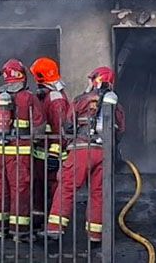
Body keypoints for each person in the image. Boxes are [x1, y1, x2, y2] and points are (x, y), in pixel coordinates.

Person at [45, 66, 125, 243]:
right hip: (105, 152)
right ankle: (96, 236)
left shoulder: (82, 100)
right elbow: (120, 132)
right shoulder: (116, 105)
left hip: (82, 150)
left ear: (96, 80)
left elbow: (68, 125)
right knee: (98, 192)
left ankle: (54, 231)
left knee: (67, 186)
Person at [0, 58, 46, 242]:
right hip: (20, 153)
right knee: (20, 189)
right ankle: (20, 231)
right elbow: (40, 127)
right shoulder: (29, 97)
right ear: (22, 76)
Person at [29, 57, 71, 226]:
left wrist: (54, 153)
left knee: (53, 188)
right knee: (38, 188)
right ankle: (38, 221)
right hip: (40, 151)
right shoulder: (44, 95)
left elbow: (59, 128)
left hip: (52, 154)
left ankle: (53, 226)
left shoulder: (55, 99)